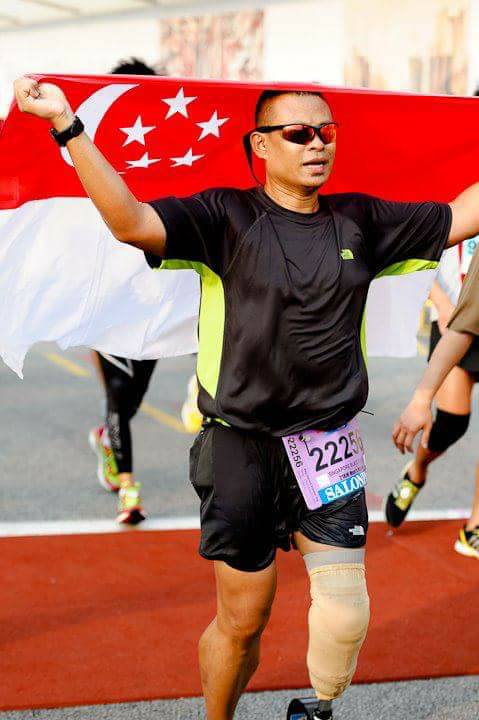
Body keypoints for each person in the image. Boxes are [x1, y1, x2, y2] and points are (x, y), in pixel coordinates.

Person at [14, 74, 479, 720]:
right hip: (240, 448)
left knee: (345, 612)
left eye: (326, 132)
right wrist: (68, 126)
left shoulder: (362, 220)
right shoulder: (225, 217)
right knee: (243, 622)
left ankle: (315, 709)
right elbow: (130, 222)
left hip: (329, 446)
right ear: (260, 145)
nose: (316, 144)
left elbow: (460, 216)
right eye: (298, 133)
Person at [88, 58, 158, 525]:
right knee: (118, 393)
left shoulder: (169, 154)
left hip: (153, 294)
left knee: (131, 399)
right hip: (107, 293)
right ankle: (129, 490)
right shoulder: (96, 148)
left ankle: (105, 438)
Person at [385, 239, 479, 557]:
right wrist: (440, 302)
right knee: (452, 425)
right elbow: (419, 254)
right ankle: (417, 470)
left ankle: (474, 527)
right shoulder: (461, 211)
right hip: (457, 320)